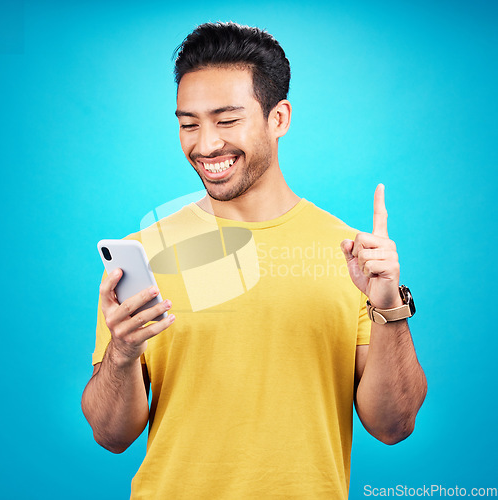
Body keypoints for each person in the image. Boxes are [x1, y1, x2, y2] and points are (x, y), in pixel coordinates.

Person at [82, 22, 427, 499]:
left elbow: (394, 425)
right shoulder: (144, 253)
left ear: (279, 118)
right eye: (188, 123)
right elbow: (110, 435)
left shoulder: (352, 256)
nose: (205, 145)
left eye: (226, 121)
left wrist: (388, 307)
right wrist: (120, 355)